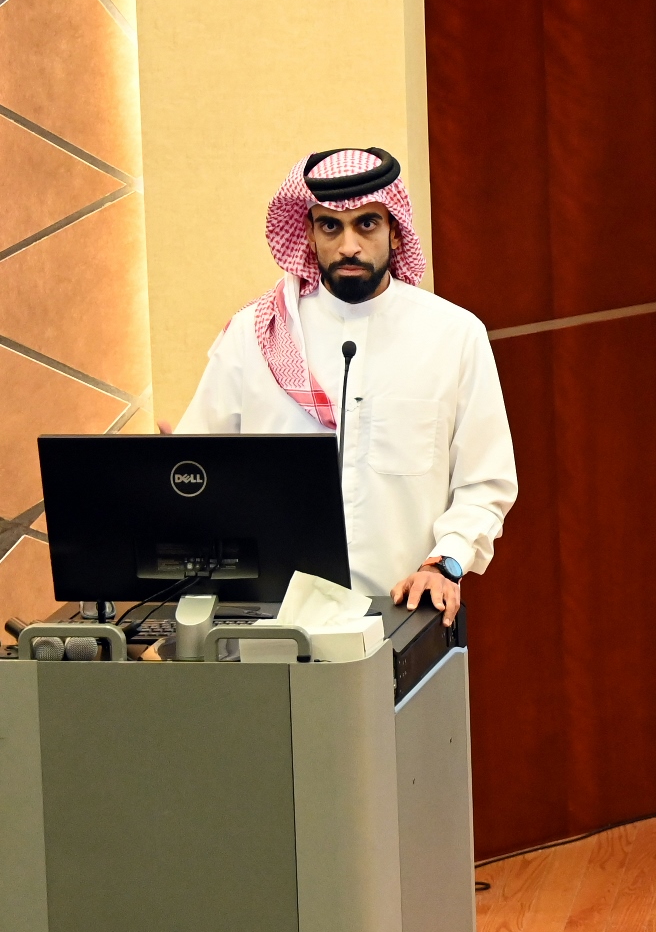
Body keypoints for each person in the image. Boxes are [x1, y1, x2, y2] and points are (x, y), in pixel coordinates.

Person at [176, 149, 516, 619]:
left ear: (394, 230)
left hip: (400, 611)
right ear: (309, 232)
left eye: (366, 224)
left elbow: (486, 482)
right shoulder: (257, 335)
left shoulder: (453, 335)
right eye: (331, 226)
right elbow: (199, 469)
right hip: (270, 617)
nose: (348, 246)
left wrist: (446, 563)